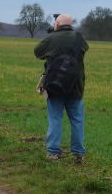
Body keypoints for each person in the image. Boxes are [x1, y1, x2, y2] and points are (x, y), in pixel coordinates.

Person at [34, 14, 89, 164]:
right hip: (75, 86)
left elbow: (37, 52)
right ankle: (78, 153)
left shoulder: (51, 38)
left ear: (57, 24)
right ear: (71, 25)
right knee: (77, 120)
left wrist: (52, 38)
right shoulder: (79, 38)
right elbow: (85, 49)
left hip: (54, 85)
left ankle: (54, 152)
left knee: (55, 118)